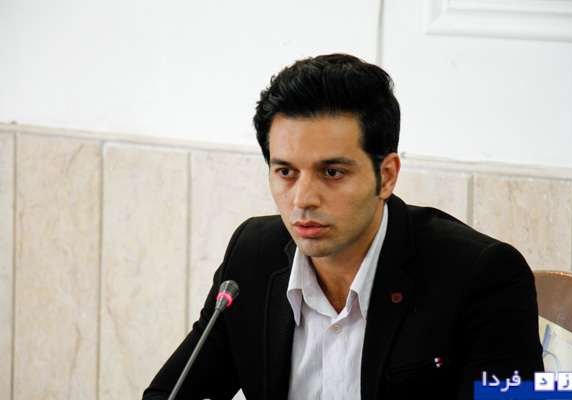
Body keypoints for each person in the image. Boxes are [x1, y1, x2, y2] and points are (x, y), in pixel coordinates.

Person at [142, 54, 543, 400]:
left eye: (332, 172)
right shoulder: (252, 256)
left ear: (386, 176)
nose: (303, 199)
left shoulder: (481, 275)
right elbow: (166, 394)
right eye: (286, 172)